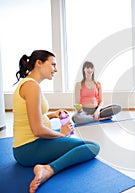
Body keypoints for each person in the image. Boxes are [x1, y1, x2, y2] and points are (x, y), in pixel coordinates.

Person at [12, 50, 100, 193]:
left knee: (73, 137)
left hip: (28, 145)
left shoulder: (29, 84)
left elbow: (32, 115)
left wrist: (53, 115)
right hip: (29, 148)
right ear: (39, 63)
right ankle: (48, 169)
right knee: (92, 147)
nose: (56, 69)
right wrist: (62, 135)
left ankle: (52, 157)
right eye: (53, 64)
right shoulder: (32, 87)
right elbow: (37, 130)